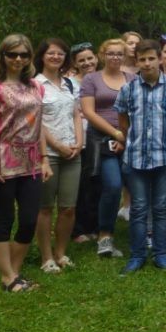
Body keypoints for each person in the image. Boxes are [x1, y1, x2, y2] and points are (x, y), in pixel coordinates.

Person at [0, 34, 51, 292]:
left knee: (28, 220)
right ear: (2, 56)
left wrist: (45, 158)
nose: (18, 59)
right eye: (12, 54)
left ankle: (14, 272)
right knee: (4, 219)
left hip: (31, 162)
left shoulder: (37, 87)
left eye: (23, 55)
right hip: (1, 163)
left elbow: (38, 126)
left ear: (29, 58)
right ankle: (8, 278)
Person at [113, 39, 166, 274]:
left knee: (162, 207)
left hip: (165, 157)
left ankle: (162, 254)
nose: (147, 63)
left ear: (160, 59)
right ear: (137, 62)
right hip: (135, 159)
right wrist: (131, 139)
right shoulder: (128, 89)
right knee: (139, 208)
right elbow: (123, 120)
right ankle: (137, 255)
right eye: (142, 59)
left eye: (151, 58)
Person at [79, 39, 134, 258]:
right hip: (102, 140)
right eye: (111, 53)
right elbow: (89, 112)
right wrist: (115, 134)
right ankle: (105, 236)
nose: (115, 58)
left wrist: (125, 136)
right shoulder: (91, 79)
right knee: (112, 185)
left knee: (138, 188)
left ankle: (142, 235)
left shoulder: (132, 79)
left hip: (130, 139)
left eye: (119, 54)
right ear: (103, 55)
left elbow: (137, 109)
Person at [34, 39, 83, 274]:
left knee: (68, 207)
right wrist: (57, 145)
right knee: (45, 208)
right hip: (48, 154)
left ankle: (60, 252)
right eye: (51, 53)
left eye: (60, 53)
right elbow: (36, 122)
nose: (56, 57)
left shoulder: (70, 84)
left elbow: (76, 114)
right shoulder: (34, 84)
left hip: (73, 152)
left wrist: (79, 141)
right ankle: (46, 257)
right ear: (42, 56)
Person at [68, 42, 100, 243]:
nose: (87, 63)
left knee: (97, 183)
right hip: (77, 138)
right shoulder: (69, 83)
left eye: (90, 58)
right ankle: (78, 229)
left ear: (96, 58)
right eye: (82, 60)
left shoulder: (103, 78)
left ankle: (95, 226)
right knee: (79, 185)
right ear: (74, 63)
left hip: (101, 137)